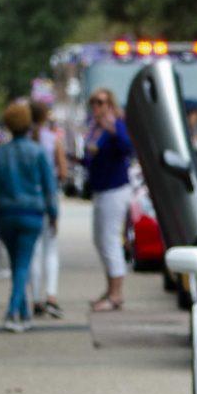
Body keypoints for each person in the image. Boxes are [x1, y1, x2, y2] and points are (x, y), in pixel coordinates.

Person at [0, 101, 57, 332]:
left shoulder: (0, 153)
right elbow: (49, 187)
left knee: (18, 264)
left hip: (6, 213)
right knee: (23, 264)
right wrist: (54, 214)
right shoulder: (36, 152)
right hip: (31, 213)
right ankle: (12, 311)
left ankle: (25, 313)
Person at [82, 88, 133, 311]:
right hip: (100, 188)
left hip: (115, 189)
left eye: (101, 102)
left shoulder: (116, 125)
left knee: (110, 239)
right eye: (94, 103)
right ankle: (110, 287)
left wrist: (112, 130)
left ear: (110, 104)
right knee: (99, 239)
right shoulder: (94, 129)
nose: (97, 107)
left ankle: (116, 294)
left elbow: (127, 148)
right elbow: (91, 157)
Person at [29, 101, 67, 318]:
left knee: (33, 251)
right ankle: (51, 296)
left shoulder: (22, 141)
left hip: (27, 203)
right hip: (48, 199)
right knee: (50, 249)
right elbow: (62, 172)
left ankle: (35, 299)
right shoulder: (53, 141)